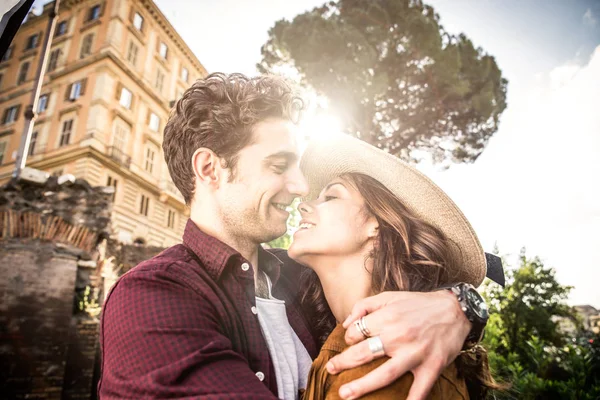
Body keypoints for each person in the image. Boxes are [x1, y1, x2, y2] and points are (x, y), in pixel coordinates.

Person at [99, 73, 500, 399]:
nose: (299, 186)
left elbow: (409, 275)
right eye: (279, 166)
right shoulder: (151, 298)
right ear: (209, 169)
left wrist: (460, 305)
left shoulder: (306, 279)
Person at [288, 134, 502, 399]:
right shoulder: (347, 340)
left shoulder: (385, 359)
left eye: (331, 196)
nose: (303, 205)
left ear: (376, 227)